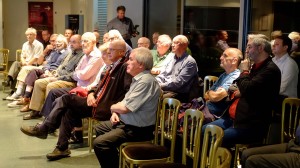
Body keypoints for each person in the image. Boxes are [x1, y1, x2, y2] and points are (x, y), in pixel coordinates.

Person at [20, 39, 132, 160]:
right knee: (68, 109)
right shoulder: (112, 66)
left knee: (67, 99)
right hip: (96, 101)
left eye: (112, 50)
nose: (108, 52)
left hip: (105, 107)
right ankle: (61, 148)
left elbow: (127, 93)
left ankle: (45, 127)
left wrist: (116, 110)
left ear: (121, 52)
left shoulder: (124, 67)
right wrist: (91, 93)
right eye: (108, 50)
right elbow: (98, 86)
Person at [202, 36, 281, 148]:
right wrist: (239, 89)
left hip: (250, 124)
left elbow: (247, 88)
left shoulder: (270, 70)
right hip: (234, 117)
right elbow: (236, 88)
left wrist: (244, 72)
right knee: (205, 130)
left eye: (249, 47)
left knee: (216, 137)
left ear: (260, 48)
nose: (246, 50)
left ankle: (221, 163)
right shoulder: (256, 67)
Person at [93, 47, 161, 168]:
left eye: (130, 59)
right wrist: (115, 112)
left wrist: (113, 108)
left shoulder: (145, 81)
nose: (127, 62)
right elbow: (124, 103)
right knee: (100, 128)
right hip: (126, 122)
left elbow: (125, 108)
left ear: (140, 65)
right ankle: (115, 162)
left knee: (100, 143)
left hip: (138, 130)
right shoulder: (138, 79)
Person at [22, 34, 84, 120]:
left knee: (50, 85)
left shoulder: (82, 56)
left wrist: (57, 77)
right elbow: (60, 66)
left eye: (74, 42)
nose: (71, 44)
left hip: (70, 81)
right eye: (70, 42)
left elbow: (74, 75)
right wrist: (55, 73)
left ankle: (50, 118)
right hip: (59, 75)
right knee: (38, 83)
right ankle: (36, 110)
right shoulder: (71, 53)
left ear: (80, 43)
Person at [7, 34, 69, 111]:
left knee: (38, 79)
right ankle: (26, 97)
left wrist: (50, 73)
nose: (56, 43)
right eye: (56, 42)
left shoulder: (67, 53)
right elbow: (47, 63)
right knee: (32, 72)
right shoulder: (54, 52)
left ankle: (30, 104)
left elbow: (61, 67)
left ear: (65, 43)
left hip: (54, 72)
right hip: (46, 69)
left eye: (59, 42)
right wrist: (46, 70)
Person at [156, 35, 198, 102]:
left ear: (184, 45)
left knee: (154, 98)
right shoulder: (171, 57)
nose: (172, 45)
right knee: (146, 92)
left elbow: (178, 83)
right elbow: (162, 74)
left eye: (176, 43)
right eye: (172, 42)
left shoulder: (189, 61)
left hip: (179, 93)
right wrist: (156, 82)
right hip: (165, 89)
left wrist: (161, 86)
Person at [203, 48, 242, 119]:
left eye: (225, 56)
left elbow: (216, 96)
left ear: (234, 61)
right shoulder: (224, 75)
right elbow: (206, 95)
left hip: (217, 113)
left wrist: (211, 94)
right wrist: (211, 94)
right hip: (209, 108)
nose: (221, 58)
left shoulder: (236, 76)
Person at [272, 35, 298, 99]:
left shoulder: (290, 64)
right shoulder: (272, 60)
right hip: (274, 98)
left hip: (287, 102)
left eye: (277, 44)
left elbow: (281, 88)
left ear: (285, 47)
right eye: (274, 44)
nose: (273, 46)